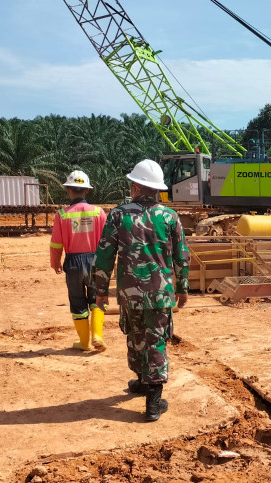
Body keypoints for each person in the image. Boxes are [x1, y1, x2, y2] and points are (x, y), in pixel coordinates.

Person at [92, 159, 189, 422]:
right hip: (160, 293)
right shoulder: (170, 217)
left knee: (135, 336)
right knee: (154, 339)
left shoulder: (118, 215)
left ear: (135, 186)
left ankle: (149, 393)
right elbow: (181, 256)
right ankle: (152, 396)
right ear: (157, 189)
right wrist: (183, 287)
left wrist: (100, 291)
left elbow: (103, 257)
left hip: (129, 293)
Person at [50, 170, 107, 351]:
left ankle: (84, 342)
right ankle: (97, 335)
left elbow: (56, 244)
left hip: (73, 262)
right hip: (95, 261)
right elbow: (107, 243)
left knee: (77, 301)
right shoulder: (99, 213)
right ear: (87, 191)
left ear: (68, 190)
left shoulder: (63, 215)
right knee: (97, 298)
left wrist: (55, 262)